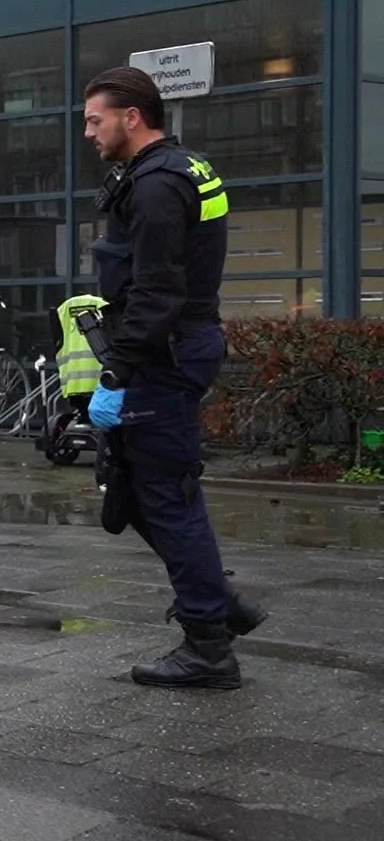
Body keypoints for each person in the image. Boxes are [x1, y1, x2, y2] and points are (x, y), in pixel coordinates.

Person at [82, 65, 262, 689]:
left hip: (166, 355)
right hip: (182, 346)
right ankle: (217, 600)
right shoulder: (186, 168)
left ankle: (209, 646)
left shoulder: (158, 186)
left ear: (131, 118)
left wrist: (117, 373)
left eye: (94, 119)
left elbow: (156, 292)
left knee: (163, 495)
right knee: (135, 488)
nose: (89, 132)